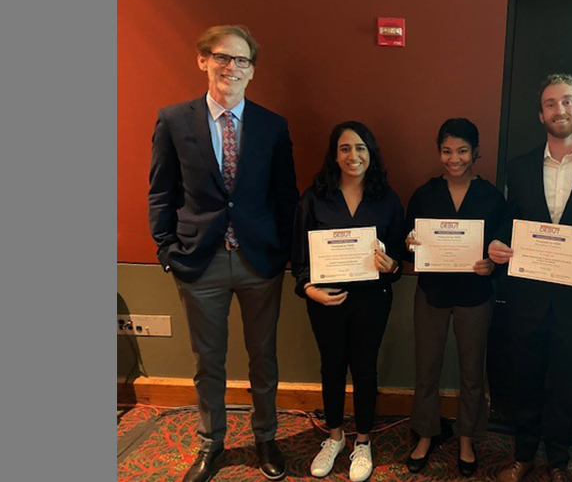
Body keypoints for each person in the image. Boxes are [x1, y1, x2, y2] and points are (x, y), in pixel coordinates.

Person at [147, 25, 298, 482]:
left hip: (260, 262)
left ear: (253, 71)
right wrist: (166, 250)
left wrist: (284, 252)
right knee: (207, 361)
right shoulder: (174, 120)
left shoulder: (273, 125)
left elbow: (285, 195)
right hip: (199, 260)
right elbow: (160, 192)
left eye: (242, 60)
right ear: (203, 61)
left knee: (263, 355)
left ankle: (265, 438)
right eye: (223, 57)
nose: (232, 67)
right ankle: (211, 444)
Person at [488, 74, 572, 482]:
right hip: (527, 297)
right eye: (550, 103)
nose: (559, 109)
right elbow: (510, 222)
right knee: (525, 381)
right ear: (541, 114)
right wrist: (498, 244)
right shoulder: (520, 165)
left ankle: (560, 462)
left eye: (567, 102)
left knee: (567, 384)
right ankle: (524, 455)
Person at [291, 121, 404, 482]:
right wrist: (309, 289)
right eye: (344, 148)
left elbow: (399, 256)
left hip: (373, 300)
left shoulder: (387, 199)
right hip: (326, 301)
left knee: (365, 368)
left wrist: (393, 265)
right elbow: (299, 259)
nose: (352, 156)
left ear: (371, 154)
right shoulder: (314, 197)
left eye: (360, 148)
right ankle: (335, 436)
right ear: (334, 154)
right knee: (331, 367)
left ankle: (363, 441)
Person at [402, 118, 506, 477]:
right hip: (432, 293)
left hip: (475, 296)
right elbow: (407, 243)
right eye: (446, 151)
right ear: (439, 152)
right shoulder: (424, 194)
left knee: (472, 373)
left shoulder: (492, 197)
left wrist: (492, 265)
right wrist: (410, 244)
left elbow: (503, 251)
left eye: (462, 150)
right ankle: (425, 434)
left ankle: (466, 437)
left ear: (475, 151)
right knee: (426, 370)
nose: (454, 158)